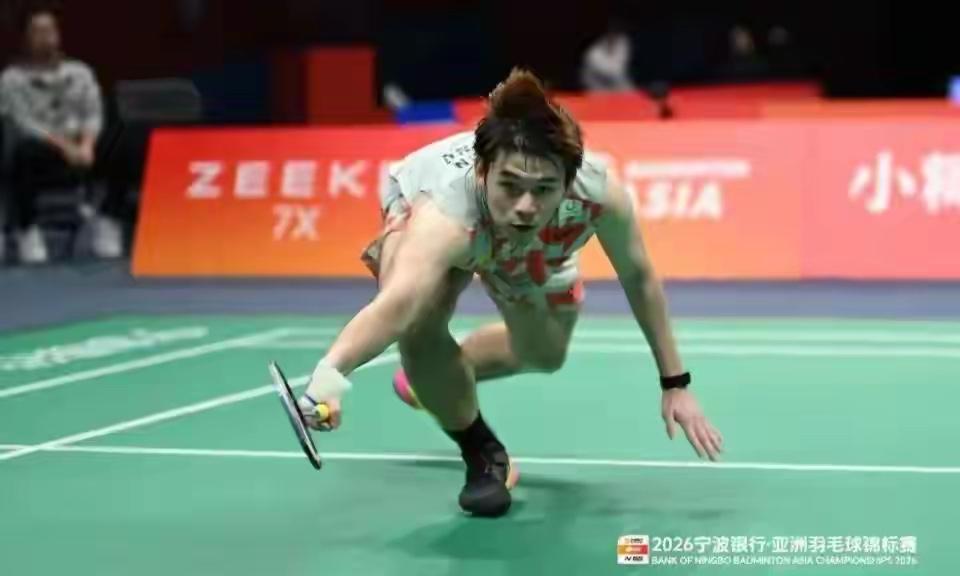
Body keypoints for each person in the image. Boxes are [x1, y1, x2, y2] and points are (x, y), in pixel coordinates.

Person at [298, 68, 723, 517]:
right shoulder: (443, 217)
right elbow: (398, 303)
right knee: (419, 324)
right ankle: (481, 452)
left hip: (535, 244)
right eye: (511, 186)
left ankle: (435, 381)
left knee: (544, 354)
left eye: (544, 190)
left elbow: (638, 277)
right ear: (484, 172)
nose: (525, 206)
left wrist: (675, 383)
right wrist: (329, 379)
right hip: (454, 217)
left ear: (568, 183)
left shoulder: (598, 194)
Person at [0, 7, 120, 263]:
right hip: (42, 147)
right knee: (23, 153)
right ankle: (27, 228)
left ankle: (108, 217)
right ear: (25, 38)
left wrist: (87, 145)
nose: (46, 36)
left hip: (82, 145)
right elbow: (23, 122)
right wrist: (65, 147)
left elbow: (93, 112)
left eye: (50, 30)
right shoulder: (11, 79)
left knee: (123, 141)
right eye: (38, 31)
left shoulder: (80, 72)